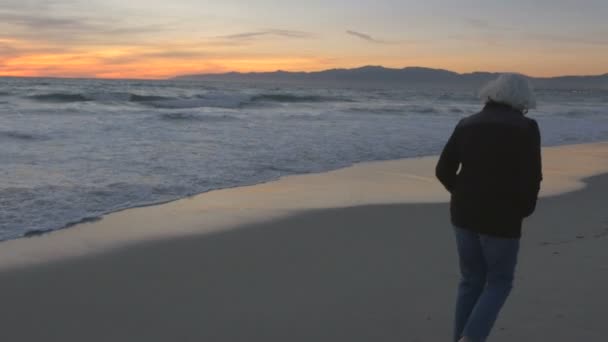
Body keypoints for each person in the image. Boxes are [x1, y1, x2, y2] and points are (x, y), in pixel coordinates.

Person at [436, 73, 542, 342]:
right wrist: (524, 209)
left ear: (491, 93)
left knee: (470, 281)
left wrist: (460, 193)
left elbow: (443, 170)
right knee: (499, 282)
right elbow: (532, 177)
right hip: (502, 218)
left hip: (463, 214)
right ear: (523, 98)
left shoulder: (466, 124)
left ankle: (459, 337)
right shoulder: (526, 128)